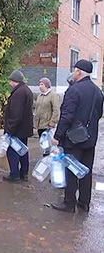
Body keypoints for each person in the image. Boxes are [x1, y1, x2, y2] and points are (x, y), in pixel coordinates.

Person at [51, 60, 103, 213]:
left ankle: (69, 203)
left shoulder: (74, 90)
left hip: (73, 139)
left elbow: (67, 116)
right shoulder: (98, 91)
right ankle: (84, 202)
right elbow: (99, 114)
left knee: (71, 169)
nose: (73, 73)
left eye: (74, 71)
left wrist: (57, 135)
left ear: (79, 72)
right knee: (86, 170)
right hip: (90, 138)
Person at [3, 70, 33, 182]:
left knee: (12, 151)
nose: (9, 83)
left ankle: (14, 173)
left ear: (15, 81)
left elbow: (16, 113)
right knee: (23, 150)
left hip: (17, 129)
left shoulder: (18, 93)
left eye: (10, 81)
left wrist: (10, 129)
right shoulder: (26, 90)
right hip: (25, 128)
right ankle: (24, 172)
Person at [33, 77, 60, 156]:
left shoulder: (53, 95)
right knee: (43, 146)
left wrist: (52, 122)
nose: (40, 86)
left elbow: (56, 110)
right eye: (39, 84)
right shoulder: (40, 96)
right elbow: (37, 108)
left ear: (47, 85)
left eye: (42, 84)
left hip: (47, 125)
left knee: (48, 146)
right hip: (40, 125)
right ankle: (45, 161)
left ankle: (49, 161)